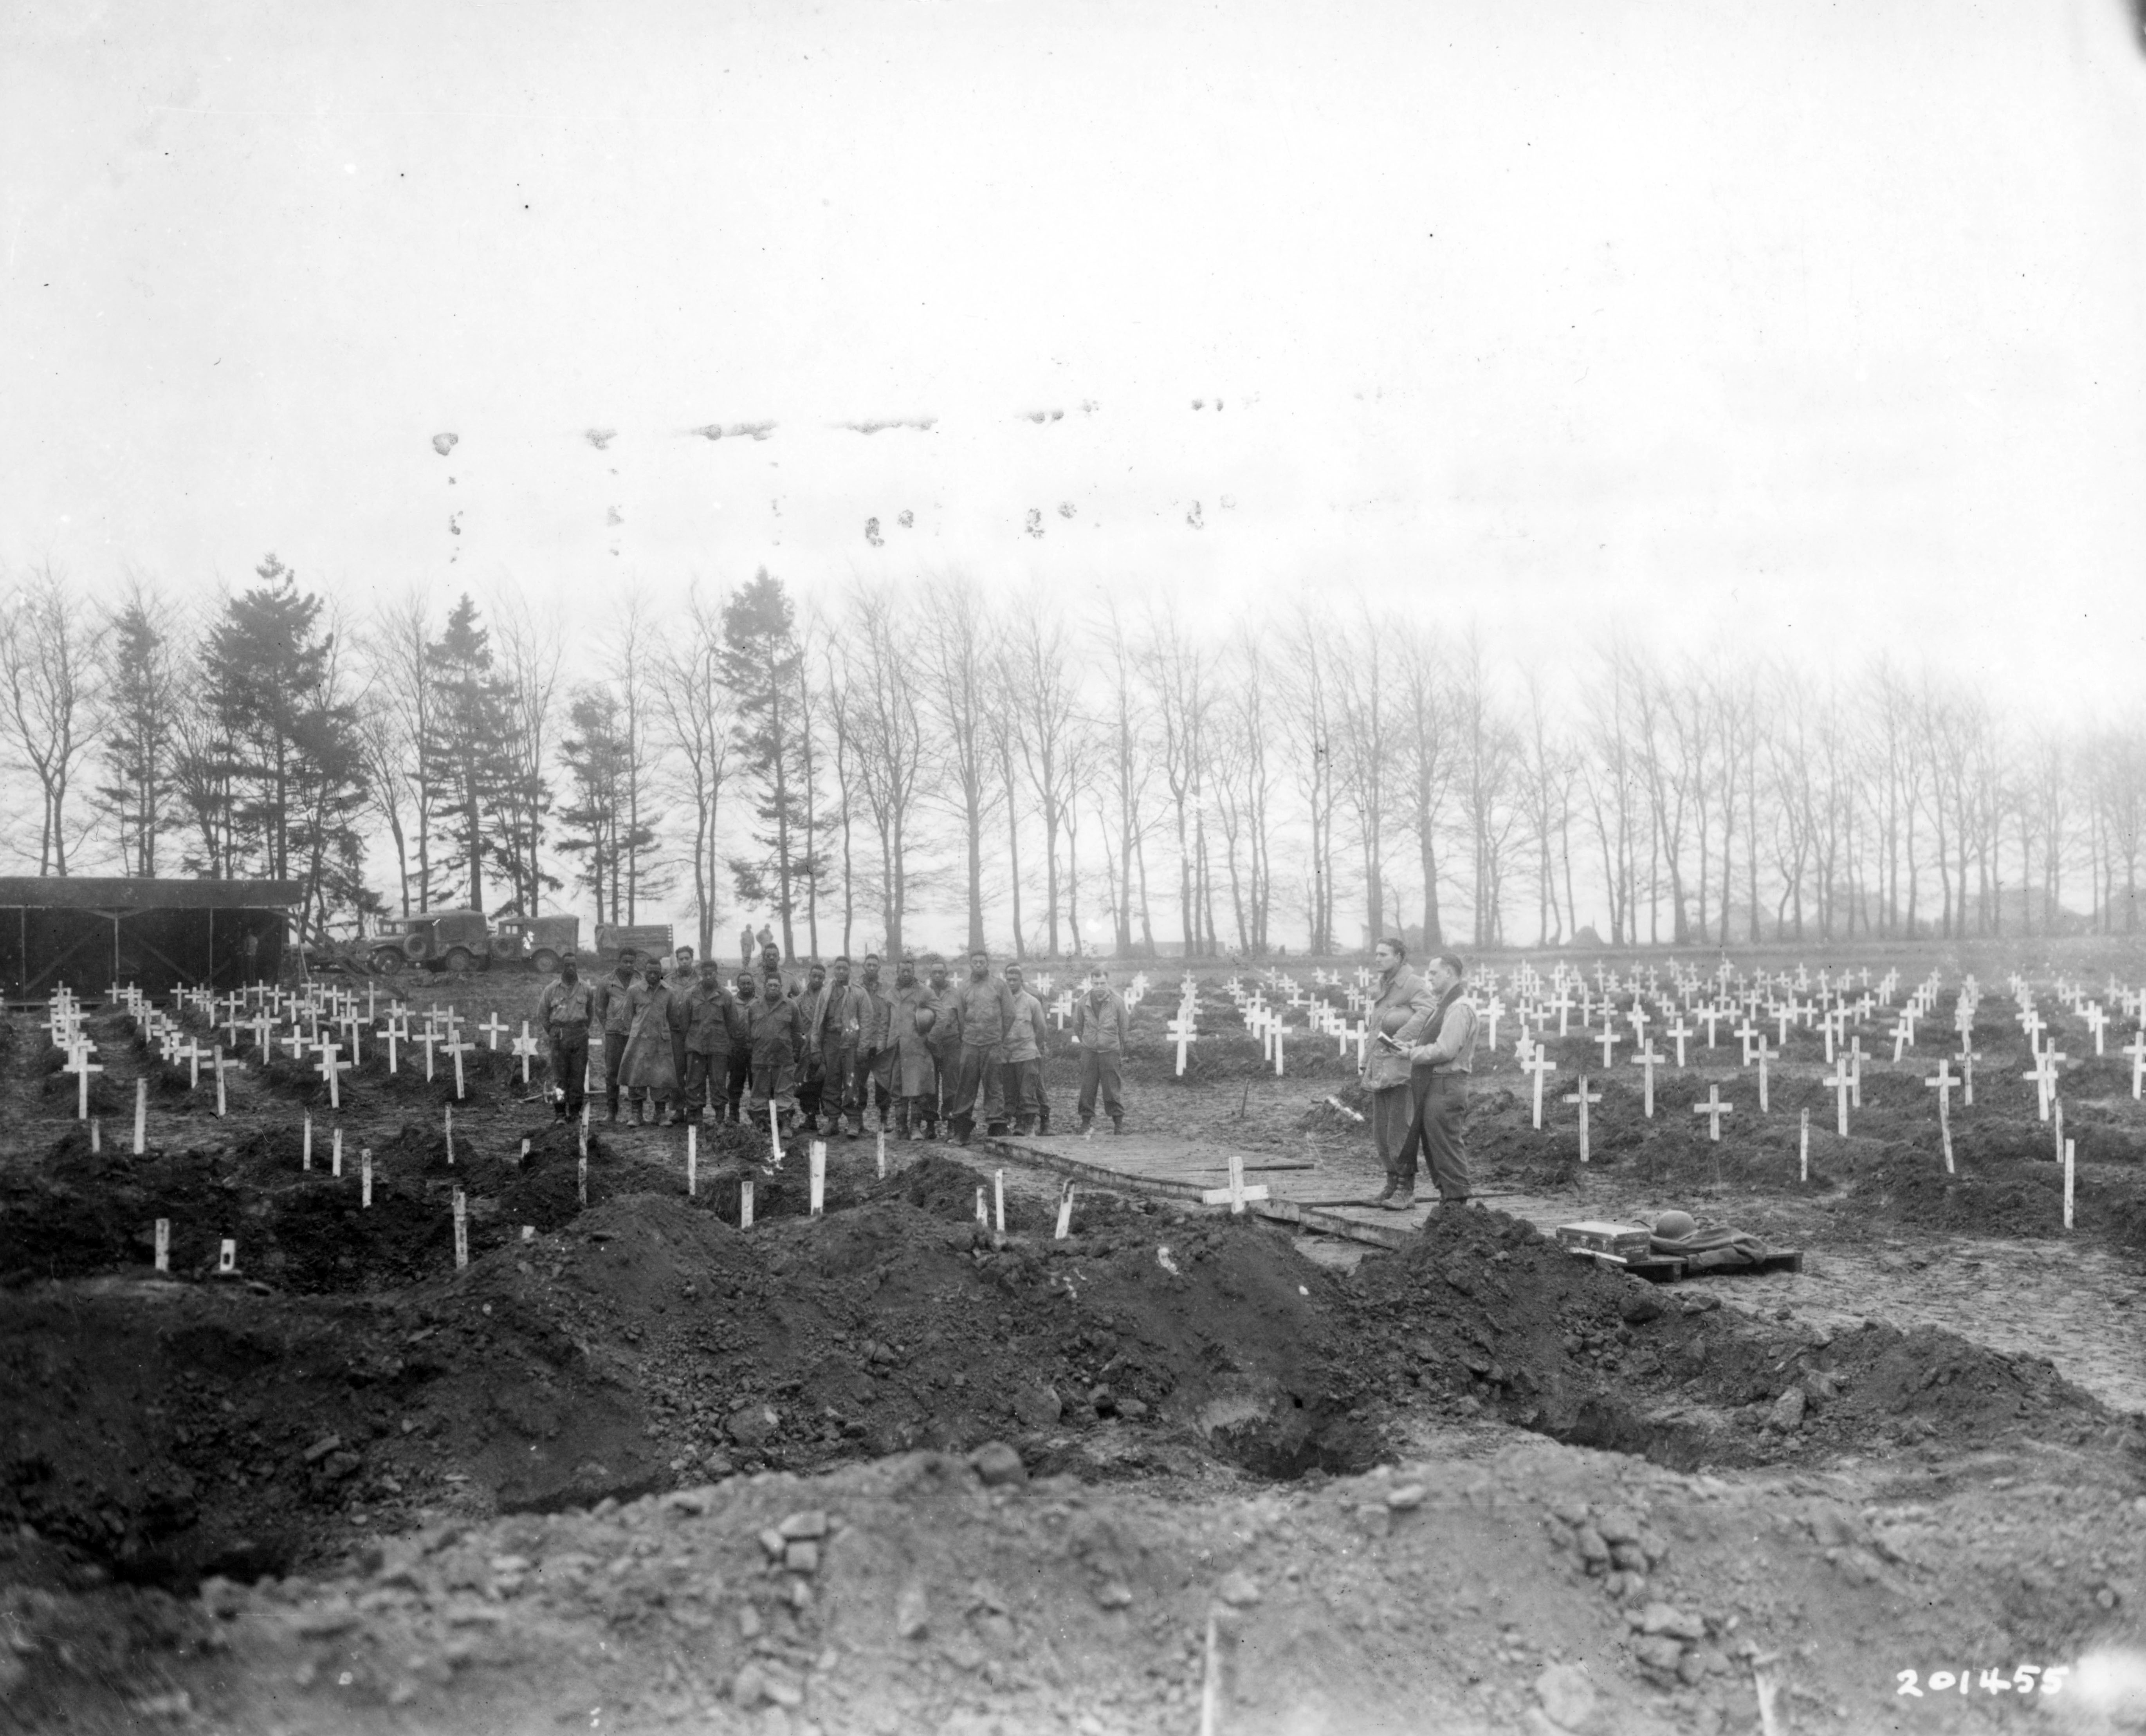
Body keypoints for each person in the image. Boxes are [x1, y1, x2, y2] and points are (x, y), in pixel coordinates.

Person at [1393, 951, 1479, 1210]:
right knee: (1435, 1145)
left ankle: (1457, 1203)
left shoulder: (1459, 1008)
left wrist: (1411, 1053)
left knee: (1446, 1145)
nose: (1429, 978)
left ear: (1450, 973)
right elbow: (1436, 1043)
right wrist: (1412, 1045)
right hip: (1437, 1083)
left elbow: (1445, 1050)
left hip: (1447, 1084)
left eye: (1434, 973)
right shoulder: (1445, 1006)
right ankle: (1449, 1203)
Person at [1361, 938, 1441, 1207]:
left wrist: (1402, 1038)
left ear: (1399, 957)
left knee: (1400, 1131)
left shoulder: (1412, 983)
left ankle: (1406, 1190)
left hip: (1402, 1068)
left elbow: (1430, 1012)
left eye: (1383, 954)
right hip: (1380, 1066)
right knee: (1381, 1132)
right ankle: (1391, 1185)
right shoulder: (1383, 986)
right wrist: (1366, 1059)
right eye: (1376, 953)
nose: (1377, 958)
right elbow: (1375, 1029)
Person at [947, 949, 1017, 1143]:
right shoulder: (964, 988)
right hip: (970, 1045)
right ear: (970, 964)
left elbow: (1010, 1015)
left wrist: (998, 1037)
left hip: (993, 1045)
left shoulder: (999, 986)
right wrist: (967, 1038)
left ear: (988, 964)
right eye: (975, 962)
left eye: (982, 962)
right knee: (965, 1087)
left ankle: (997, 1130)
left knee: (994, 1086)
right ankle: (962, 1131)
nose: (979, 965)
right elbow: (961, 1018)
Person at [618, 958, 684, 1124]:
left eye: (657, 972)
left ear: (661, 972)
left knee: (661, 1078)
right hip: (639, 1042)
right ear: (644, 972)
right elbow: (627, 1016)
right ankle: (636, 1114)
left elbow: (673, 1018)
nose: (653, 975)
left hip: (661, 1043)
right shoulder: (634, 991)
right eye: (650, 972)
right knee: (636, 1077)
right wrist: (635, 1033)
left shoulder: (669, 992)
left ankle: (660, 1115)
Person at [536, 953, 596, 1121]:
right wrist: (553, 1031)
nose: (570, 969)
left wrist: (581, 1030)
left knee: (578, 1076)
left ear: (577, 967)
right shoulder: (551, 989)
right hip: (559, 1038)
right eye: (567, 965)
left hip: (579, 1036)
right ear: (561, 967)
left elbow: (590, 1013)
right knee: (560, 1078)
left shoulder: (586, 988)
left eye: (573, 965)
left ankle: (575, 1112)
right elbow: (542, 1014)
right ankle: (560, 1113)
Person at [888, 955, 941, 1140]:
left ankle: (916, 1128)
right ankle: (900, 1129)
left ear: (914, 972)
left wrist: (931, 1037)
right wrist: (883, 1045)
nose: (905, 974)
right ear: (897, 972)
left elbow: (941, 1015)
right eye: (902, 970)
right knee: (897, 1089)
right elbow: (884, 1022)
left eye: (909, 971)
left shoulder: (924, 992)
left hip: (917, 1049)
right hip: (896, 1049)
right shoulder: (891, 994)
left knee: (917, 1089)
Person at [808, 956, 861, 1137]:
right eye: (838, 968)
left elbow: (868, 1022)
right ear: (833, 970)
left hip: (850, 1043)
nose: (841, 972)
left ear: (850, 971)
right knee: (831, 1081)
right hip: (830, 1042)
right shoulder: (826, 992)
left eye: (844, 969)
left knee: (851, 1082)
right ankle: (833, 1121)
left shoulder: (858, 993)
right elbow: (817, 1022)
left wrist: (863, 1047)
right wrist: (815, 1047)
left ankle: (854, 1121)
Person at [681, 958, 738, 1123]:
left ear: (716, 974)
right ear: (700, 974)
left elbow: (733, 1023)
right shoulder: (691, 995)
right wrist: (692, 1041)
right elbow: (684, 1022)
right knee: (694, 1082)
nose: (708, 977)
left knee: (719, 1083)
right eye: (705, 974)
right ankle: (695, 1115)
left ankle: (720, 1117)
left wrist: (727, 1044)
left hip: (718, 1048)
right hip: (696, 1046)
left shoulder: (726, 996)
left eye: (711, 974)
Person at [1073, 965, 1130, 1133]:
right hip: (1089, 1052)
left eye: (1102, 983)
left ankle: (1118, 1124)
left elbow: (1124, 1028)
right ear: (1091, 983)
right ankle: (1086, 1123)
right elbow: (1077, 1026)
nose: (1099, 987)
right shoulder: (1083, 1002)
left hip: (1110, 1052)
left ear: (1108, 982)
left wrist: (1116, 1048)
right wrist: (1088, 1042)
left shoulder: (1118, 1002)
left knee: (1112, 1089)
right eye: (1096, 983)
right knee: (1087, 1088)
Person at [746, 969, 804, 1131]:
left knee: (784, 1093)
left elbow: (799, 1032)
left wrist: (794, 1052)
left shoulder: (791, 1006)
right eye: (770, 985)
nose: (773, 988)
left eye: (776, 986)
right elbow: (749, 1032)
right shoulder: (754, 1007)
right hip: (761, 1057)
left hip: (783, 1057)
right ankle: (760, 1124)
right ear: (765, 987)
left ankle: (785, 1124)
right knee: (759, 1092)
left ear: (781, 987)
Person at [1000, 962, 1051, 1136]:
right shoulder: (1001, 1003)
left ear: (1022, 981)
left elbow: (1041, 1028)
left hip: (1028, 1054)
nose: (1012, 983)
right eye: (1009, 980)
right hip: (1007, 1055)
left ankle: (1029, 1124)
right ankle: (1018, 1124)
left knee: (1028, 1092)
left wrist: (1033, 1047)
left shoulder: (1032, 1002)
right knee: (1010, 1092)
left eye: (1015, 980)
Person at [592, 949, 641, 1121]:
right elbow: (599, 1007)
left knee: (636, 1071)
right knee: (612, 1071)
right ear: (619, 962)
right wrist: (608, 1025)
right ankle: (612, 1111)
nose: (628, 965)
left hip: (635, 1034)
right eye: (625, 962)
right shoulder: (606, 982)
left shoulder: (641, 981)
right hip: (614, 1034)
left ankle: (636, 1112)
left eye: (632, 962)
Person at [851, 952, 896, 1135]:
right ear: (864, 967)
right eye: (868, 965)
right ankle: (857, 1121)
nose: (871, 968)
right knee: (859, 1083)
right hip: (861, 1044)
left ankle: (884, 1120)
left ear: (879, 968)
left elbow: (887, 1018)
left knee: (883, 1084)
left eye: (874, 965)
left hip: (880, 1045)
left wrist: (882, 1043)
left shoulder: (886, 990)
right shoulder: (855, 989)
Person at [793, 960, 833, 1132]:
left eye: (821, 977)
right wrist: (802, 1040)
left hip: (824, 1046)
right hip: (806, 1048)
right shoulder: (799, 1000)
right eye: (814, 976)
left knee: (825, 1082)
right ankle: (810, 1119)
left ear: (824, 979)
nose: (817, 980)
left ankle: (830, 1119)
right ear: (809, 977)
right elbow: (796, 1026)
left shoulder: (828, 998)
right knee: (806, 1084)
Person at [924, 956, 962, 1137]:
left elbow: (962, 1020)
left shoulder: (956, 994)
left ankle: (951, 1124)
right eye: (934, 973)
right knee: (930, 1086)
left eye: (941, 972)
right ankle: (930, 1125)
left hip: (951, 1045)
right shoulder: (923, 993)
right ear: (930, 975)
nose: (938, 976)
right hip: (930, 1046)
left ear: (946, 974)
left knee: (951, 1086)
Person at [719, 973, 757, 1121]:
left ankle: (758, 1115)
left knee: (756, 1083)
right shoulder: (732, 1003)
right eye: (743, 984)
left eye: (749, 983)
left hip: (755, 1048)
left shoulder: (759, 1002)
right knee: (736, 1081)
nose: (746, 986)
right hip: (737, 1048)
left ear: (753, 984)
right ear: (738, 986)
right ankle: (733, 1114)